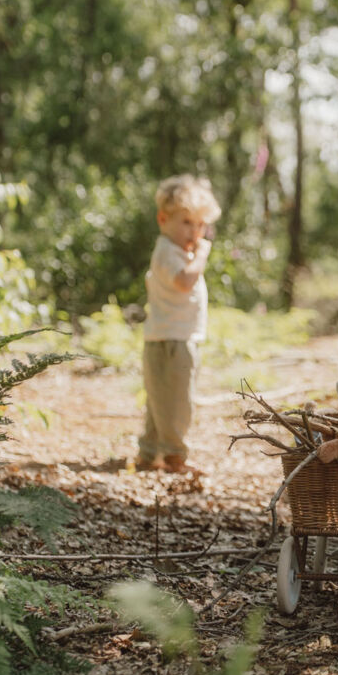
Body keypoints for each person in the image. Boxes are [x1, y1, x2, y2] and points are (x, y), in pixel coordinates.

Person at [136, 174, 222, 474]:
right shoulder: (167, 252)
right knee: (178, 404)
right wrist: (200, 256)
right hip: (170, 341)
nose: (195, 231)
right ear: (163, 219)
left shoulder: (177, 251)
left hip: (176, 337)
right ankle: (175, 456)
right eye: (186, 222)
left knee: (161, 402)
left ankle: (148, 454)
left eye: (200, 225)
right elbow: (185, 282)